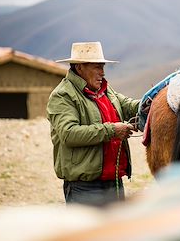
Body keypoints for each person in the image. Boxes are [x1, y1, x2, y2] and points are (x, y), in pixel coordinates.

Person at [47, 41, 140, 207]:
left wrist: (153, 102)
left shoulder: (104, 90)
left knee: (115, 232)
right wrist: (112, 130)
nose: (102, 72)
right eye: (97, 67)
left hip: (113, 182)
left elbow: (128, 106)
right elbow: (69, 134)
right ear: (80, 67)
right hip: (85, 187)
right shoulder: (62, 96)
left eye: (102, 67)